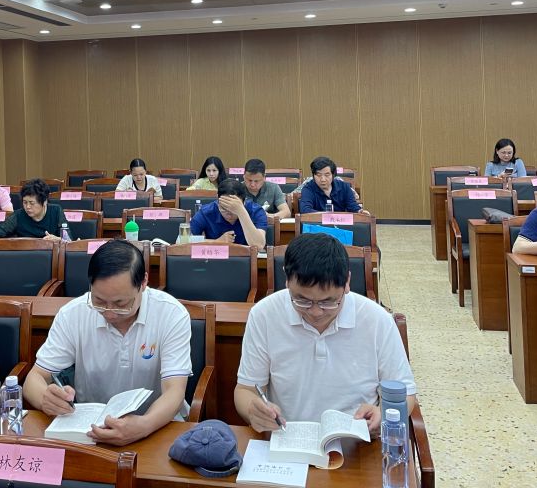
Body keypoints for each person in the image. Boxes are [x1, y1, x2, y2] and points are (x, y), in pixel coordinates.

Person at [234, 234, 415, 434]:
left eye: (328, 302)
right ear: (287, 279)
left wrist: (383, 413)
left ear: (347, 282)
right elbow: (245, 390)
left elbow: (406, 394)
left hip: (358, 443)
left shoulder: (377, 320)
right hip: (287, 438)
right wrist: (253, 410)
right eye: (302, 300)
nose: (316, 312)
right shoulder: (264, 314)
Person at [23, 240, 191, 446]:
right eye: (99, 301)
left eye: (121, 303)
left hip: (154, 426)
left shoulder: (171, 314)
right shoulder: (73, 314)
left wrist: (144, 425)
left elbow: (175, 391)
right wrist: (45, 399)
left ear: (143, 283)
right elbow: (34, 378)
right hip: (90, 430)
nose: (110, 313)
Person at [190, 179, 268, 247]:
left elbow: (259, 245)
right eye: (224, 208)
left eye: (233, 209)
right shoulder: (206, 212)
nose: (229, 214)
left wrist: (241, 212)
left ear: (244, 202)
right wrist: (217, 242)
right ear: (218, 200)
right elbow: (186, 241)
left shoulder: (256, 211)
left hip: (248, 257)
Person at [0, 178, 67, 240]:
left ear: (44, 202)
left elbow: (68, 239)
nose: (27, 206)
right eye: (25, 202)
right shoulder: (18, 215)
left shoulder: (56, 211)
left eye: (32, 203)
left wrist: (59, 239)